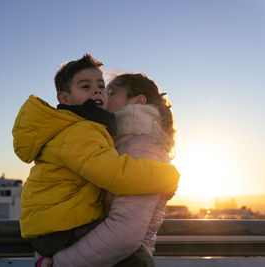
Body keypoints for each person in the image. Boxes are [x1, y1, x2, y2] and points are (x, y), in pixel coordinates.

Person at [11, 55, 179, 266]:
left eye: (106, 88)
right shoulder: (81, 130)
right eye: (86, 86)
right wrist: (166, 176)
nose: (100, 91)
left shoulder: (132, 143)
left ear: (138, 101)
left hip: (59, 227)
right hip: (63, 228)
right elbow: (115, 174)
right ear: (63, 98)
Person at [50, 73, 176, 267]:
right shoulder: (122, 143)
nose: (104, 96)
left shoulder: (140, 147)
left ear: (139, 101)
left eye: (112, 91)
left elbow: (124, 232)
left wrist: (58, 263)